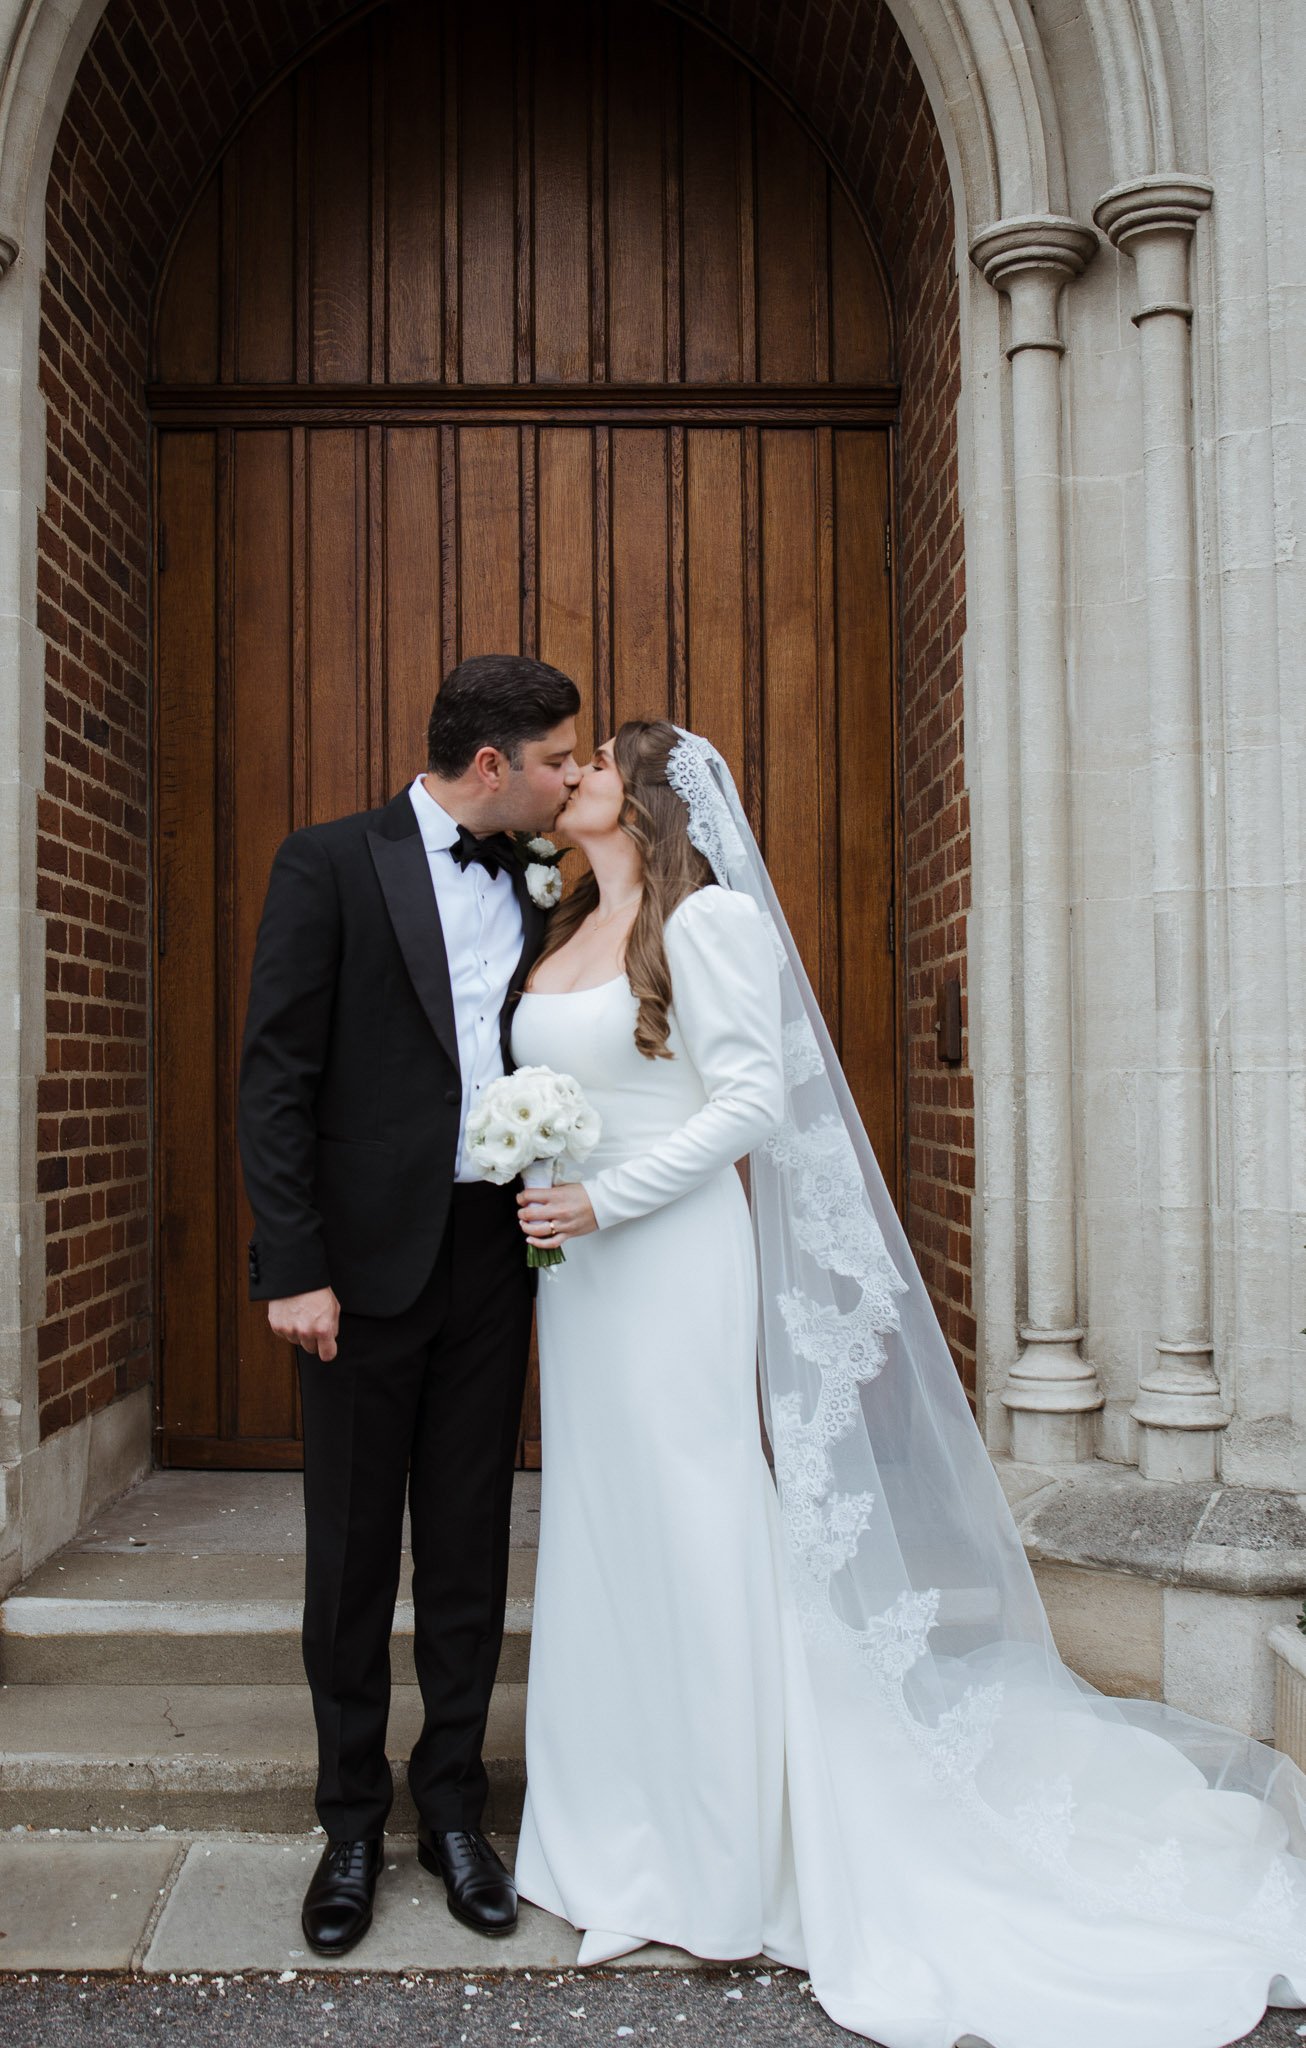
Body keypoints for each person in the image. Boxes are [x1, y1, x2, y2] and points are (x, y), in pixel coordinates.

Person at [509, 719, 1306, 2048]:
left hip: (661, 1259)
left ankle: (712, 1852)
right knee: (606, 1533)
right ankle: (612, 1829)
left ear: (641, 797)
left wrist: (611, 1193)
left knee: (698, 1527)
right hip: (581, 1280)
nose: (565, 775)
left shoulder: (705, 927)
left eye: (589, 762)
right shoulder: (569, 923)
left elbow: (751, 1101)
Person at [237, 653, 581, 1958]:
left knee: (467, 1540)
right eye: (554, 756)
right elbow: (274, 1076)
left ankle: (453, 1813)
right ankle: (346, 1826)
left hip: (495, 1253)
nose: (570, 776)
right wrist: (294, 1262)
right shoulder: (328, 863)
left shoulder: (550, 877)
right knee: (349, 1553)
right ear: (488, 765)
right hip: (357, 1273)